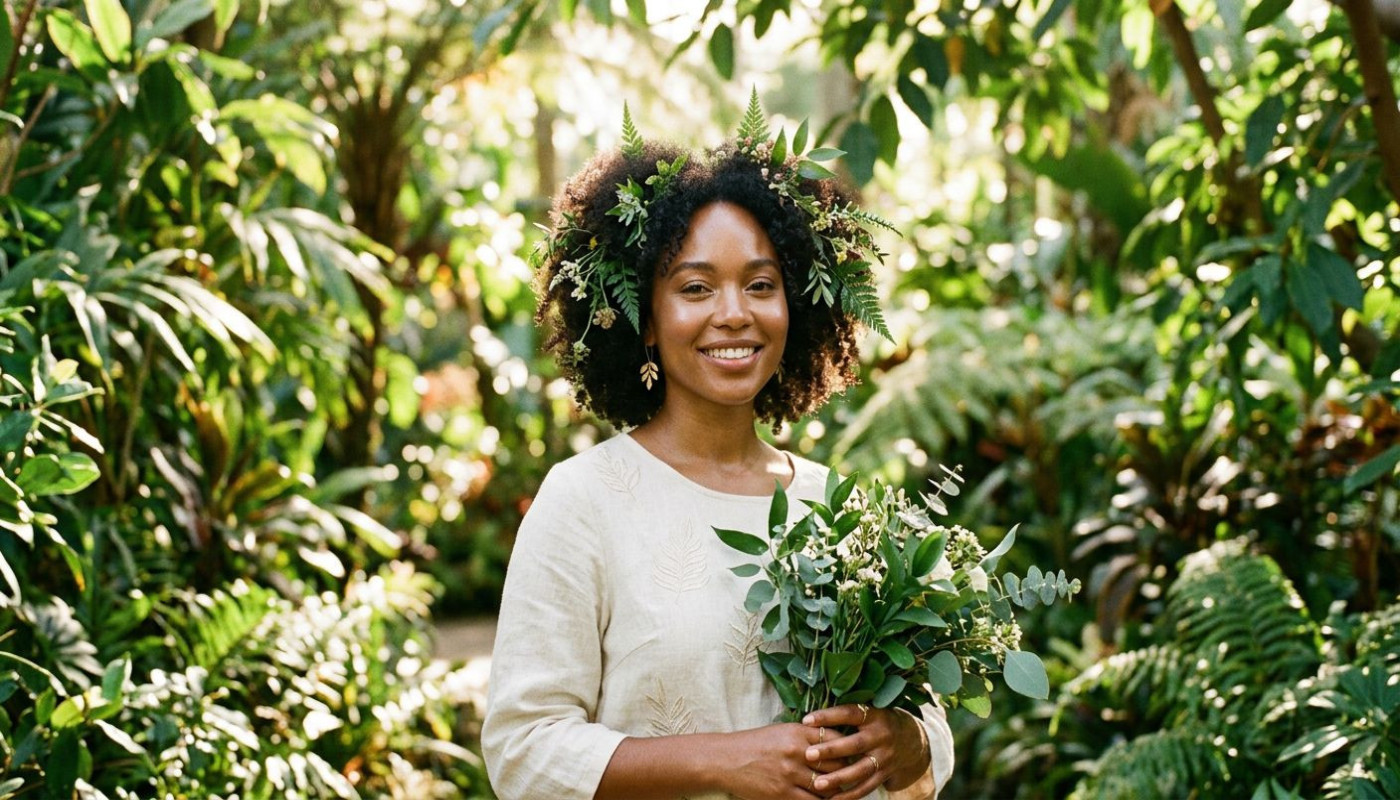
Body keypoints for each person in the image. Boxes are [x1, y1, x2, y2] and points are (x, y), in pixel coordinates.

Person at [481, 104, 955, 800]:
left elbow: (927, 719)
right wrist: (723, 762)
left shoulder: (839, 506)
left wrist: (908, 744)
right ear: (644, 319)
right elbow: (523, 748)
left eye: (760, 285)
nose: (734, 312)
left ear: (796, 307)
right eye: (695, 287)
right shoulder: (584, 502)